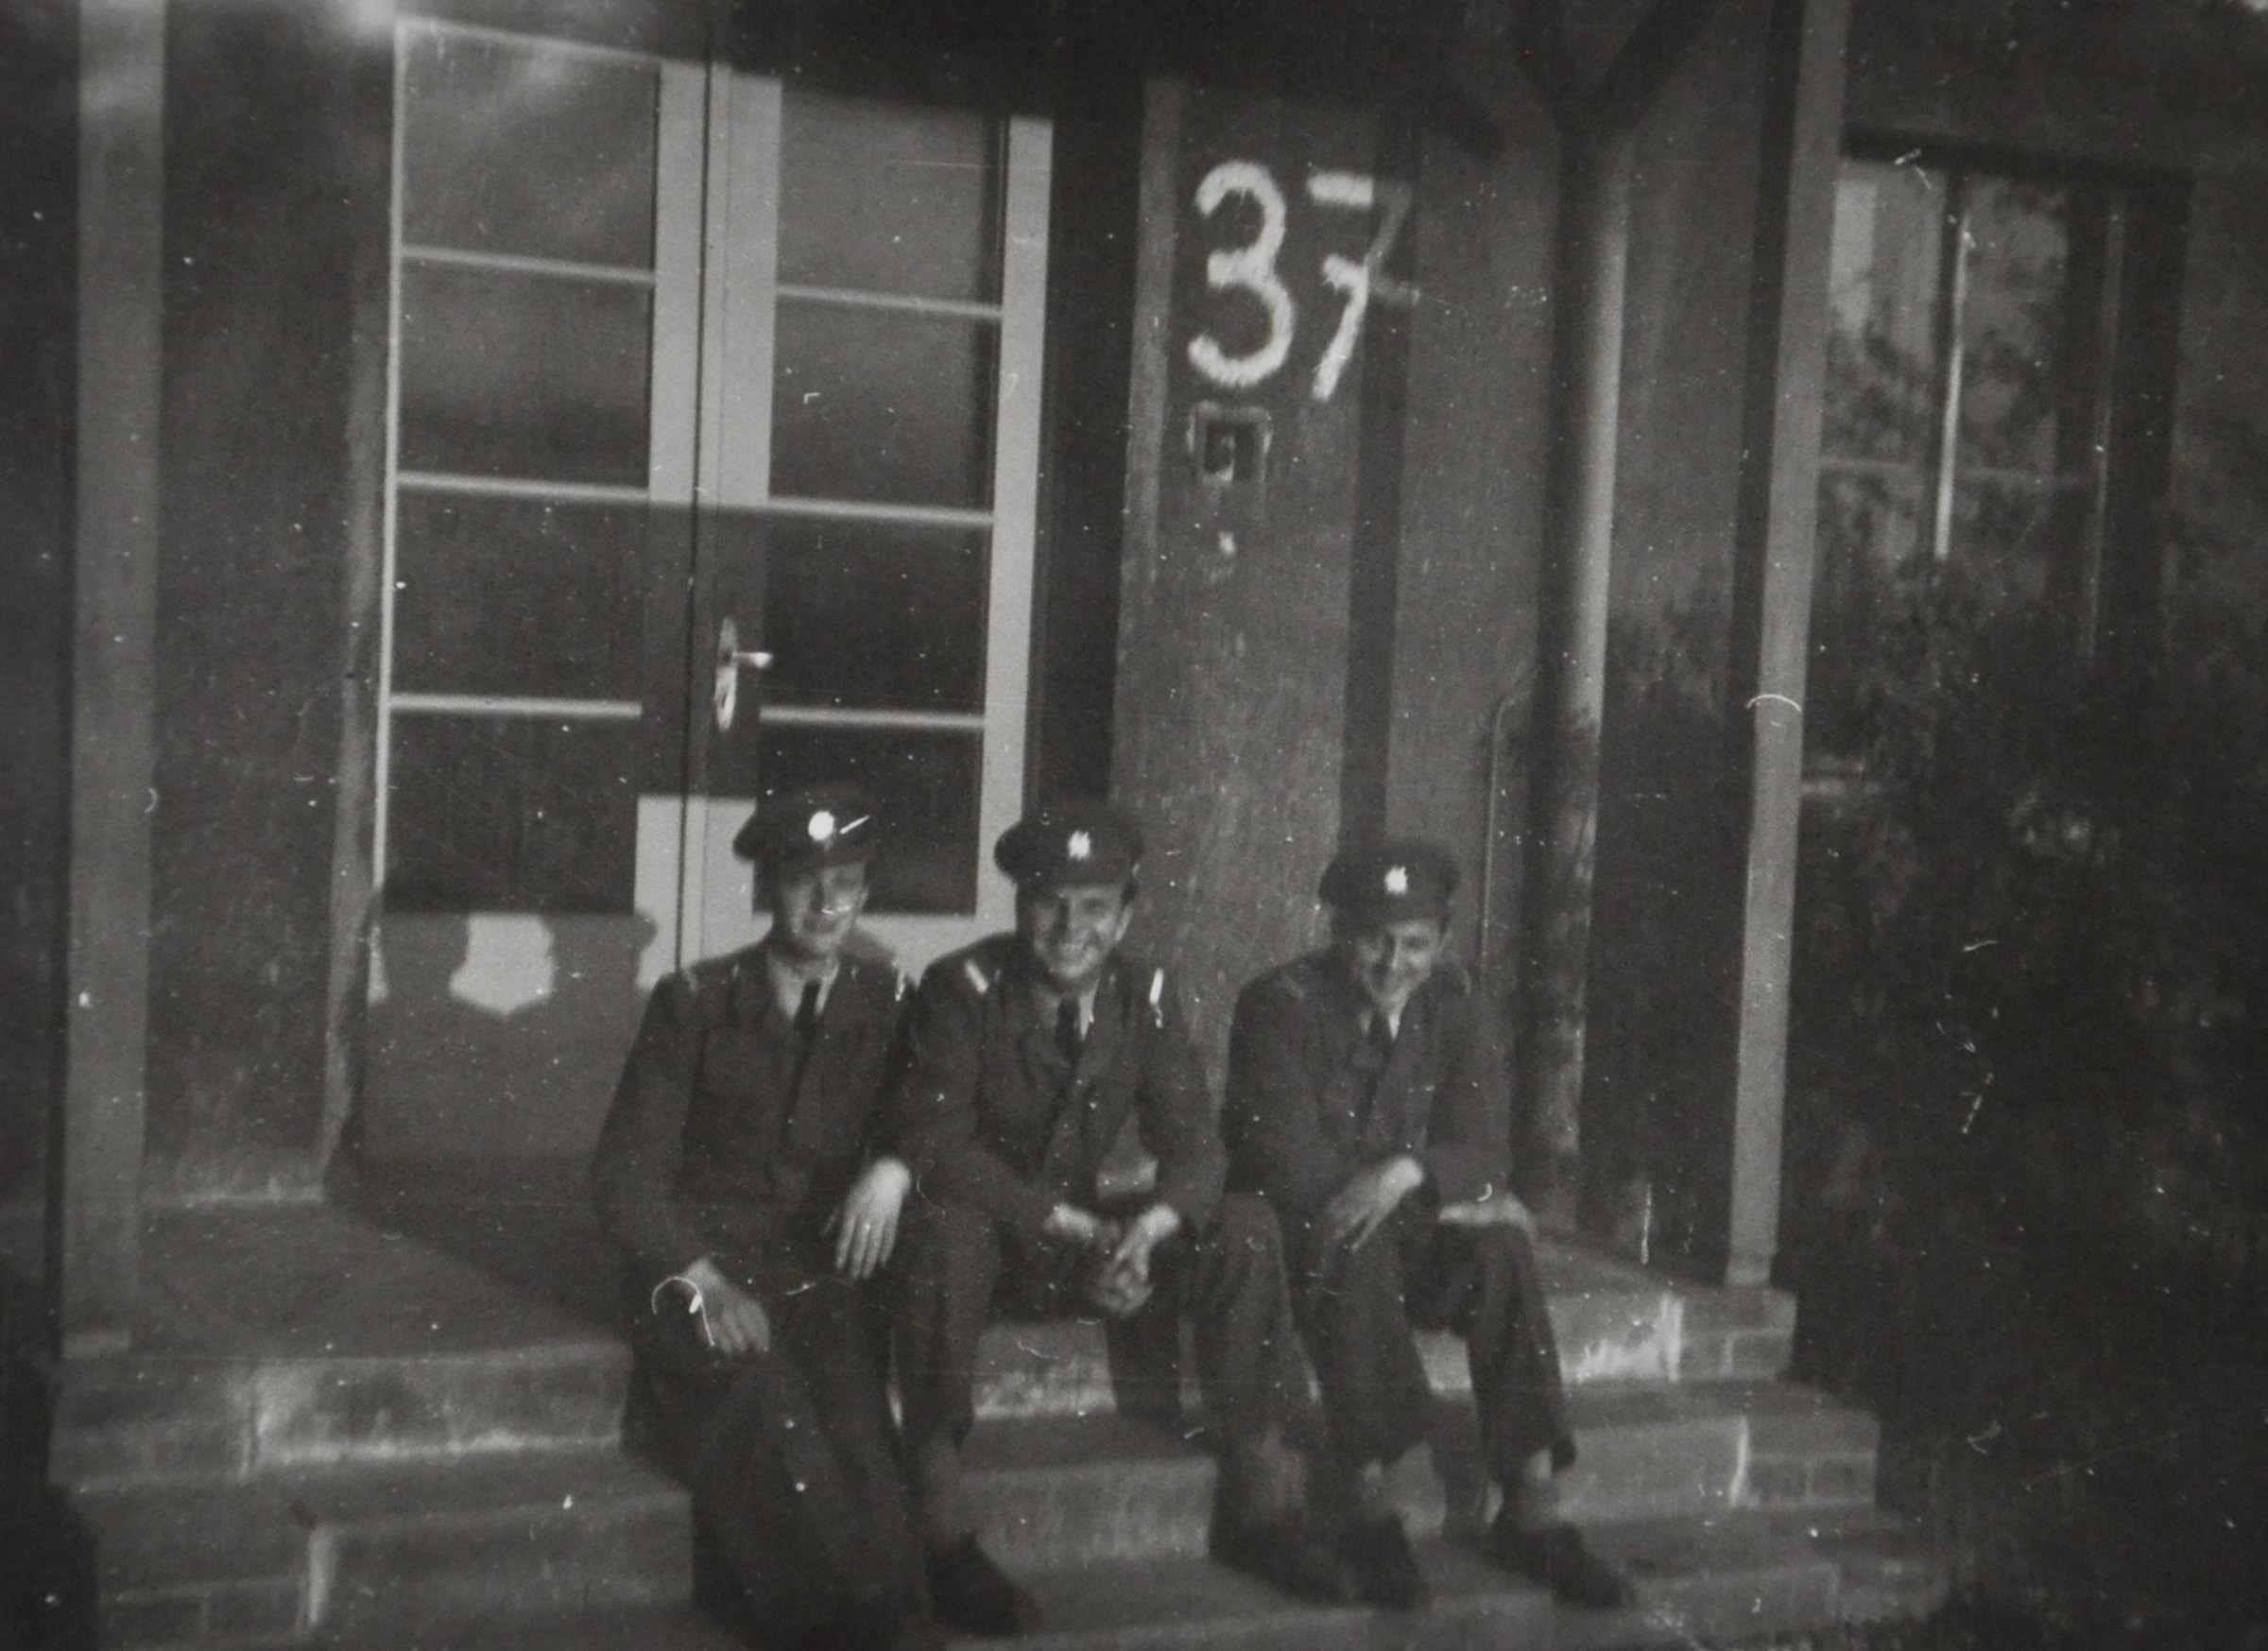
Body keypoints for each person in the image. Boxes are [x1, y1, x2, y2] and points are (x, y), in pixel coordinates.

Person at [887, 800, 1349, 1635]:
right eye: (1050, 903)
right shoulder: (961, 989)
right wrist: (1069, 1225)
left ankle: (1262, 1505)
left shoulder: (1146, 994)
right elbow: (939, 1147)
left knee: (1243, 1223)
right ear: (1020, 905)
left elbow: (1196, 1146)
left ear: (1126, 915)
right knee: (942, 1228)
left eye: (1095, 907)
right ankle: (939, 1531)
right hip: (996, 1238)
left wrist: (1149, 1232)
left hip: (1087, 1238)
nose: (1072, 928)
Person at [1222, 840, 1634, 1612]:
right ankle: (1371, 1510)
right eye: (1373, 939)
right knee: (1356, 1232)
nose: (1393, 963)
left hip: (1402, 1226)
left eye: (1414, 943)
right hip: (1309, 1243)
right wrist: (1448, 1189)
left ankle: (1533, 1511)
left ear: (1441, 941)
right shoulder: (1279, 1005)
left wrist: (1408, 1173)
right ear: (1337, 930)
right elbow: (1294, 1168)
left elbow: (1485, 1152)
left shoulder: (1456, 1008)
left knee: (1501, 1246)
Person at [591, 785, 932, 1651]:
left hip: (812, 1270)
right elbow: (625, 1175)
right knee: (763, 1399)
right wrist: (701, 1280)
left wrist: (894, 1167)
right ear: (768, 887)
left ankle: (888, 1618)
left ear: (866, 893)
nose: (825, 904)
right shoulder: (695, 1002)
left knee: (856, 1420)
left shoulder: (885, 999)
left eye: (845, 883)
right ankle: (828, 1627)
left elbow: (932, 1111)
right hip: (697, 1267)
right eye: (802, 881)